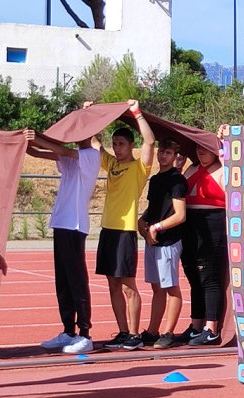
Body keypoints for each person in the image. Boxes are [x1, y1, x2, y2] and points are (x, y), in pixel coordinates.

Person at [27, 129, 101, 354]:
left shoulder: (91, 155)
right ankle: (68, 330)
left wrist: (37, 136)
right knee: (63, 281)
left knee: (77, 280)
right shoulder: (70, 157)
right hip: (61, 223)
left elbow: (60, 149)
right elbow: (40, 154)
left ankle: (85, 334)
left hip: (75, 225)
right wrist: (19, 140)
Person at [92, 99, 155, 349]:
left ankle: (134, 333)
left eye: (121, 144)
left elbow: (150, 141)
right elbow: (93, 142)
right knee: (112, 283)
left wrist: (137, 113)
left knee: (128, 286)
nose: (117, 149)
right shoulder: (112, 164)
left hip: (125, 231)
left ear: (131, 146)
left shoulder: (140, 168)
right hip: (108, 229)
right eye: (115, 144)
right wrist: (91, 113)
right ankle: (122, 332)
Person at [164, 140, 227, 349]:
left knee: (209, 276)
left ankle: (211, 328)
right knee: (194, 277)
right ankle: (196, 325)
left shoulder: (223, 169)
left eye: (206, 148)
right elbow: (177, 190)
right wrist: (179, 168)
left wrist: (227, 163)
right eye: (198, 148)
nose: (201, 152)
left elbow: (234, 191)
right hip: (190, 225)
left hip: (213, 223)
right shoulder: (192, 168)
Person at [131, 139, 188, 350]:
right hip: (152, 240)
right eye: (161, 151)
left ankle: (168, 332)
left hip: (169, 241)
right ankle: (153, 330)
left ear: (175, 156)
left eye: (168, 152)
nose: (163, 155)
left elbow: (180, 215)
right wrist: (143, 221)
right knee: (157, 287)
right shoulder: (155, 180)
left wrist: (158, 227)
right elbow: (154, 207)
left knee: (171, 287)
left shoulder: (177, 180)